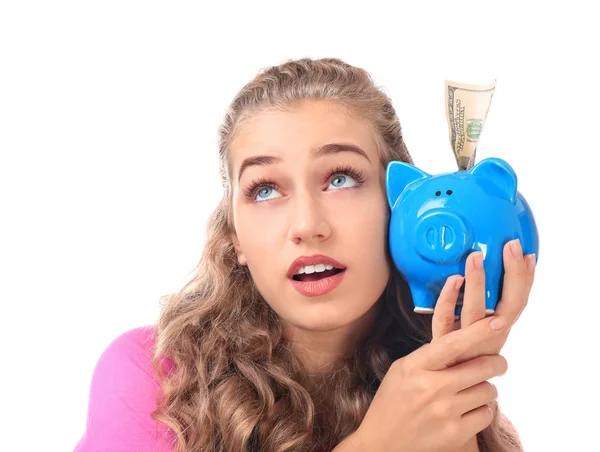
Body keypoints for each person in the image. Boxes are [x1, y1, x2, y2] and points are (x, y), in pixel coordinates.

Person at [74, 57, 536, 452]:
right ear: (235, 237)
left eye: (340, 178)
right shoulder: (151, 378)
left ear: (399, 206)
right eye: (266, 188)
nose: (307, 225)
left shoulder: (455, 413)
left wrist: (458, 375)